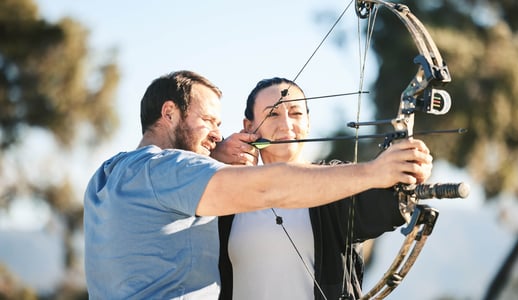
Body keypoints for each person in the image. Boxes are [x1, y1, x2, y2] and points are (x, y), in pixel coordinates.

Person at [83, 70, 433, 299]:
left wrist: (401, 173)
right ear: (170, 113)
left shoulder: (110, 173)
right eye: (208, 121)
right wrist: (375, 170)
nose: (218, 134)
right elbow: (268, 186)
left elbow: (380, 207)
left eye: (297, 113)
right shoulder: (180, 175)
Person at [218, 77, 430, 300]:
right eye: (273, 114)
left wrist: (407, 169)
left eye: (297, 113)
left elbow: (384, 205)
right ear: (249, 127)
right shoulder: (227, 192)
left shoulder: (338, 183)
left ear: (308, 122)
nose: (287, 124)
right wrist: (214, 157)